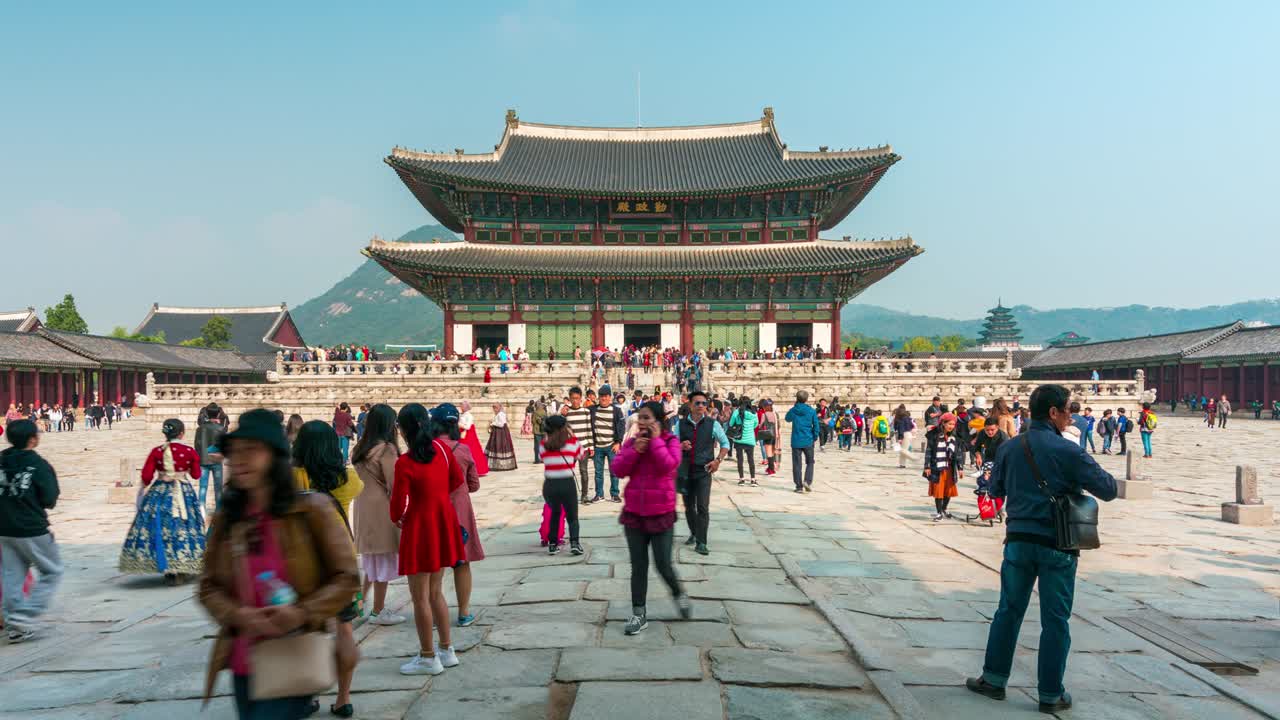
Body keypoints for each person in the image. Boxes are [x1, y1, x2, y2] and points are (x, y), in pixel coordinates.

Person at [966, 384, 1118, 714]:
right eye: (1067, 411)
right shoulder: (1068, 450)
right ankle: (1050, 694)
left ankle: (993, 679)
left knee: (1008, 611)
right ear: (1053, 412)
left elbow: (996, 489)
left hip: (1019, 541)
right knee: (1055, 620)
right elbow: (1107, 489)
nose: (1070, 416)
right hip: (1058, 545)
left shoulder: (1010, 447)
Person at [197, 408, 359, 719]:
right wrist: (238, 614)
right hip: (244, 662)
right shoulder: (227, 519)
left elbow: (347, 577)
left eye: (252, 451)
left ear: (274, 456)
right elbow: (208, 587)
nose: (241, 460)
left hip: (292, 654)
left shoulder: (312, 509)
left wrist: (300, 612)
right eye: (236, 452)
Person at [291, 421, 364, 719]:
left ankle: (307, 695)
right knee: (345, 628)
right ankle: (343, 698)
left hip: (304, 564)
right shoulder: (347, 477)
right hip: (341, 558)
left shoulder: (293, 477)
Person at [392, 404, 466, 676]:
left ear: (403, 430)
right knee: (436, 592)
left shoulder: (405, 462)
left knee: (419, 597)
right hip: (442, 519)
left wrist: (400, 516)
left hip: (420, 526)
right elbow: (457, 481)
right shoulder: (444, 451)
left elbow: (397, 506)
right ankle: (447, 650)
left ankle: (427, 656)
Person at [613, 401, 691, 635]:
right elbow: (618, 470)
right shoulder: (632, 442)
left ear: (658, 420)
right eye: (641, 418)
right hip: (635, 513)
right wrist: (635, 451)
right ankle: (639, 613)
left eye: (647, 418)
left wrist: (655, 442)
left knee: (663, 564)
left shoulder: (670, 442)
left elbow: (669, 466)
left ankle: (679, 593)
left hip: (661, 514)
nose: (643, 422)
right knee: (638, 566)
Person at [119, 418, 206, 584]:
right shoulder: (189, 451)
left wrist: (141, 491)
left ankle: (167, 567)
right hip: (183, 493)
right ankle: (183, 565)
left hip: (160, 492)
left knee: (161, 526)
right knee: (184, 526)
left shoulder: (157, 451)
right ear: (181, 433)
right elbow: (196, 474)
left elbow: (146, 475)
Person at [0, 419, 62, 643]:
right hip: (31, 527)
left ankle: (14, 626)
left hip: (3, 529)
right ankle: (24, 617)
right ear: (33, 439)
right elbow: (49, 498)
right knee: (52, 571)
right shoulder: (38, 464)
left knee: (11, 577)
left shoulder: (1, 460)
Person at [350, 404, 404, 626]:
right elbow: (394, 483)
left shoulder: (359, 449)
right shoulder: (387, 449)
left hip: (363, 504)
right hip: (382, 507)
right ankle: (378, 611)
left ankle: (359, 607)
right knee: (383, 560)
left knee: (371, 563)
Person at [432, 403, 485, 626]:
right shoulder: (462, 450)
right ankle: (463, 613)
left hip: (434, 509)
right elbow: (474, 484)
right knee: (461, 562)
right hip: (459, 510)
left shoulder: (427, 449)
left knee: (436, 564)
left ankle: (435, 613)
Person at [677, 390, 729, 555]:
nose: (701, 406)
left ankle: (701, 541)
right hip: (685, 470)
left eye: (704, 403)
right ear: (690, 405)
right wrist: (679, 446)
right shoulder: (680, 424)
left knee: (703, 507)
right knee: (688, 507)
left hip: (704, 470)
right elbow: (670, 444)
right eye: (697, 403)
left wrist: (718, 460)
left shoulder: (713, 424)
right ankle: (694, 532)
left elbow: (725, 443)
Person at [539, 414, 585, 555]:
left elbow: (542, 459)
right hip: (567, 482)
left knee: (555, 514)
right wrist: (572, 435)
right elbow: (581, 455)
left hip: (550, 484)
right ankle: (575, 543)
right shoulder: (572, 443)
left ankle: (553, 544)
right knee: (572, 516)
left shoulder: (543, 445)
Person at [923, 413, 964, 521]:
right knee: (938, 490)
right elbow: (929, 451)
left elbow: (958, 453)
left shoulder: (955, 437)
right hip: (937, 467)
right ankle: (938, 512)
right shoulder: (934, 435)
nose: (951, 426)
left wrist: (960, 468)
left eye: (953, 424)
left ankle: (944, 508)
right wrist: (927, 466)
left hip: (950, 467)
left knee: (949, 490)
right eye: (949, 424)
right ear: (943, 423)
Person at [588, 385, 625, 502]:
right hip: (597, 446)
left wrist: (618, 442)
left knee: (614, 472)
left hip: (611, 446)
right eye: (601, 396)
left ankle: (614, 494)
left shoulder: (616, 411)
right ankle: (599, 494)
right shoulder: (592, 410)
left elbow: (621, 428)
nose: (603, 398)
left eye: (606, 396)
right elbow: (578, 412)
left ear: (610, 397)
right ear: (598, 397)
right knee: (598, 473)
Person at [562, 386, 595, 503]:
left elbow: (589, 429)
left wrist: (591, 447)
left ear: (581, 398)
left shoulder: (586, 411)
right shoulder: (566, 413)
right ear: (569, 399)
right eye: (573, 398)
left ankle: (584, 495)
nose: (575, 401)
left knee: (584, 471)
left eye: (577, 398)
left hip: (583, 447)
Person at [785, 390, 820, 493]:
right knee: (810, 462)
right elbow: (816, 425)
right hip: (808, 440)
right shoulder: (811, 411)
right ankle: (807, 481)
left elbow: (787, 419)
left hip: (796, 440)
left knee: (797, 464)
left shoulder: (794, 410)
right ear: (806, 399)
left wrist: (794, 407)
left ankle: (799, 486)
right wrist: (815, 437)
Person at [195, 410, 227, 515]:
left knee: (203, 486)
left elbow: (197, 445)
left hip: (203, 460)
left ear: (207, 415)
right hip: (216, 460)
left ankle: (201, 508)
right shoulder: (221, 428)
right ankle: (219, 509)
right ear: (218, 415)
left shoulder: (200, 429)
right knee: (218, 487)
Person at [727, 396, 759, 486]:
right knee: (751, 460)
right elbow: (756, 425)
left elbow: (730, 423)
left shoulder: (737, 412)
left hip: (739, 439)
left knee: (740, 460)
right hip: (750, 439)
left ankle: (742, 479)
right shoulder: (754, 413)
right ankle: (753, 479)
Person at [484, 403, 517, 471]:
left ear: (498, 408)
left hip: (500, 433)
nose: (494, 410)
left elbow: (501, 424)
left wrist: (492, 423)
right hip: (498, 432)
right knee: (496, 447)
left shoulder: (501, 414)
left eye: (495, 408)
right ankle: (497, 464)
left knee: (500, 447)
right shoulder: (499, 414)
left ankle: (501, 465)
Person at [756, 399, 779, 475]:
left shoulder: (764, 414)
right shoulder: (775, 414)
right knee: (772, 452)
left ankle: (771, 469)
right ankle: (771, 467)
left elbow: (761, 424)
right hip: (774, 434)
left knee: (768, 452)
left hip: (768, 435)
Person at [530, 398, 548, 464]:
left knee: (537, 446)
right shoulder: (544, 412)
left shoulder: (535, 412)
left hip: (537, 431)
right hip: (544, 431)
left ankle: (537, 460)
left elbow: (533, 421)